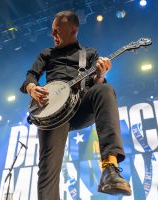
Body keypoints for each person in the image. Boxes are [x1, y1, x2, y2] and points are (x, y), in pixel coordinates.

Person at [20, 10, 131, 200]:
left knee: (105, 90)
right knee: (48, 170)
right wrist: (31, 88)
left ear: (73, 30)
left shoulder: (89, 54)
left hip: (79, 106)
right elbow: (31, 76)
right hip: (52, 112)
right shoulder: (46, 54)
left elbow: (97, 87)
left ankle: (110, 169)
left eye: (58, 31)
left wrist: (101, 75)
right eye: (52, 31)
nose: (53, 35)